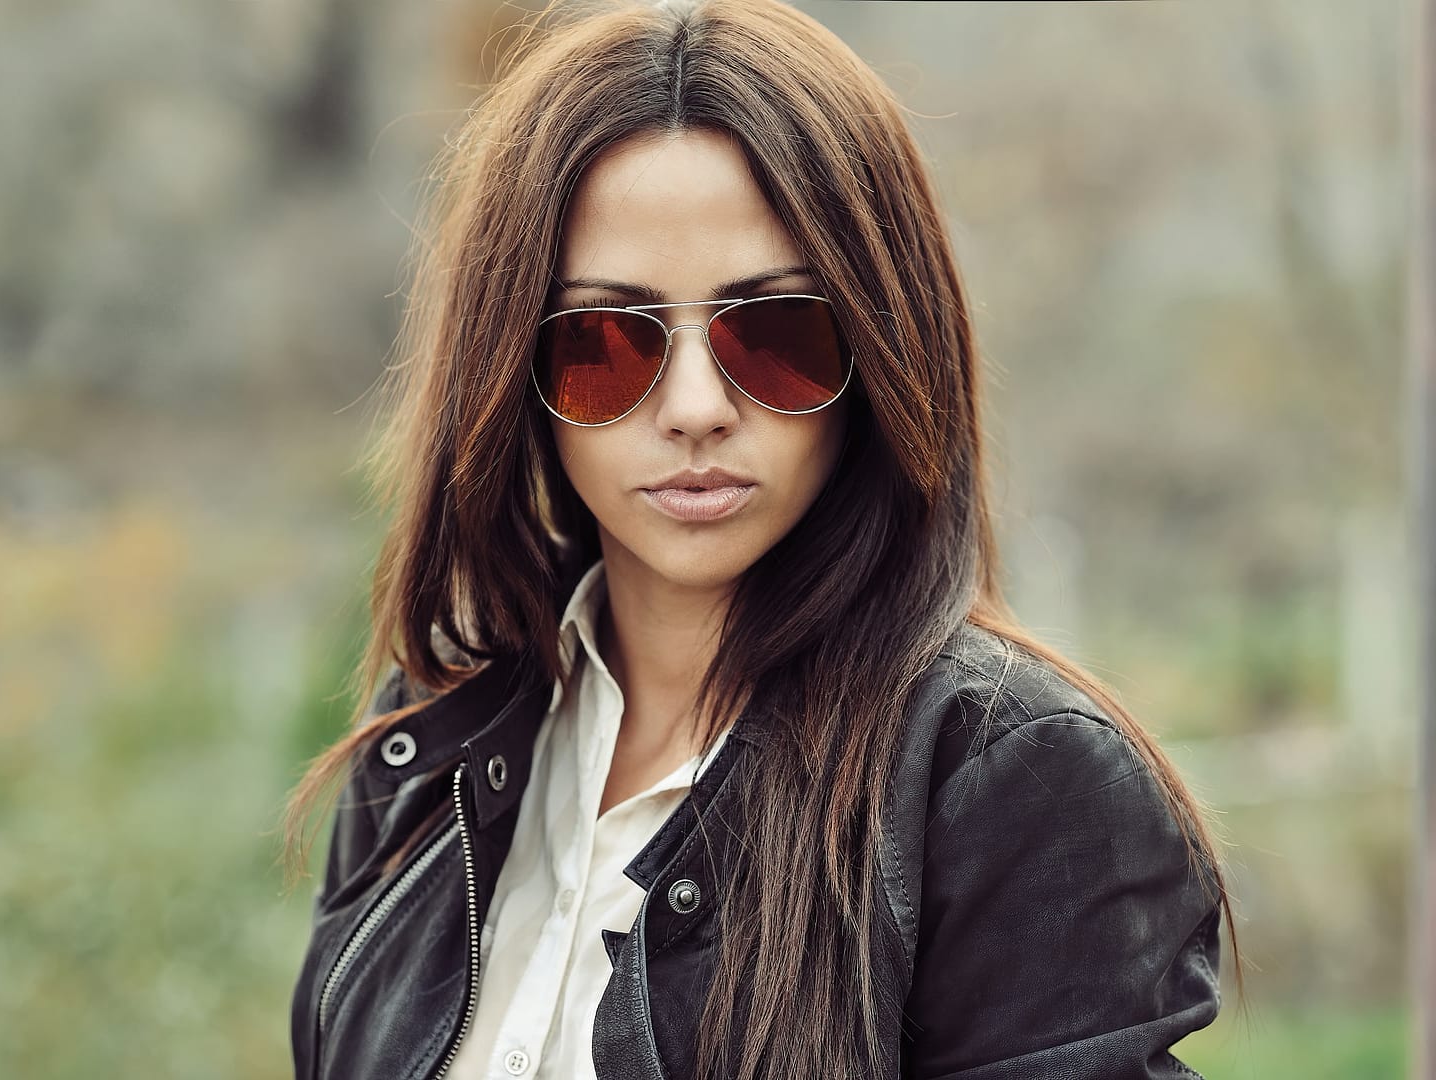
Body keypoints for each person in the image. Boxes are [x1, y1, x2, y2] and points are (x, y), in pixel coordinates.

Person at [284, 1, 1243, 1077]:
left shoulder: (1010, 780)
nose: (695, 407)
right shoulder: (432, 733)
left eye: (775, 333)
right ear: (512, 372)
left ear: (882, 347)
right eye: (605, 340)